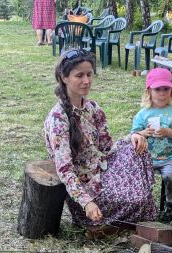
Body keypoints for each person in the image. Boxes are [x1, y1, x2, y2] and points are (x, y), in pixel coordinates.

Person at [45, 49, 156, 226]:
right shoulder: (58, 119)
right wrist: (87, 202)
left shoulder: (93, 108)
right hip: (85, 189)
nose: (86, 81)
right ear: (64, 77)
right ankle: (101, 216)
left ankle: (137, 206)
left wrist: (133, 137)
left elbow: (107, 149)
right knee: (137, 200)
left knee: (138, 149)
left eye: (89, 74)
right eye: (79, 76)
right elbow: (65, 170)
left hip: (102, 171)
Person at [130, 68, 172, 220]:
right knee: (140, 178)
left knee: (171, 176)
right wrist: (143, 133)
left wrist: (167, 132)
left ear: (171, 91)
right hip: (146, 158)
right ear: (149, 91)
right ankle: (142, 204)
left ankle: (171, 204)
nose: (162, 93)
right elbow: (133, 134)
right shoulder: (143, 113)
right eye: (157, 89)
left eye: (166, 89)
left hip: (168, 157)